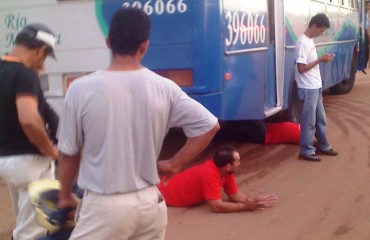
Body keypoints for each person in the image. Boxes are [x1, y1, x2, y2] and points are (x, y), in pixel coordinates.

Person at [56, 7, 219, 240]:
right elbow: (210, 126)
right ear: (145, 46)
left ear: (108, 42)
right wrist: (174, 163)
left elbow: (68, 155)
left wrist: (64, 194)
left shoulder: (81, 89)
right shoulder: (164, 87)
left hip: (104, 209)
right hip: (150, 204)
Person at [0, 24, 58, 240]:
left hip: (7, 160)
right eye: (45, 57)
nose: (42, 65)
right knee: (35, 231)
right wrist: (51, 149)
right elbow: (29, 119)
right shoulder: (24, 74)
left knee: (24, 223)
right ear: (41, 50)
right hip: (31, 161)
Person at [158, 145, 278, 213]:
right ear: (228, 166)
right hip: (161, 194)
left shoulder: (226, 171)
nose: (240, 163)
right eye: (238, 161)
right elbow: (216, 206)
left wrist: (250, 201)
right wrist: (244, 207)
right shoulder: (210, 174)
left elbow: (233, 194)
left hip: (163, 185)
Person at [294, 13, 338, 162]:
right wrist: (320, 59)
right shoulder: (302, 42)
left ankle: (323, 146)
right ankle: (306, 150)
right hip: (307, 88)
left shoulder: (309, 41)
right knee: (309, 121)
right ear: (314, 26)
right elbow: (301, 68)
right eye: (320, 30)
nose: (321, 34)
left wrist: (321, 59)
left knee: (320, 119)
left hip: (315, 86)